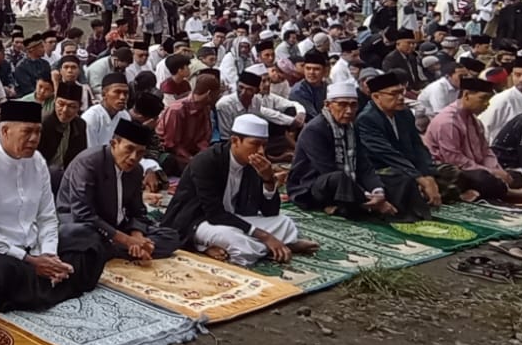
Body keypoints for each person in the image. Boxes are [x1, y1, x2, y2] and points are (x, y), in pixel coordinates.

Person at [0, 100, 107, 310]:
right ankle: (54, 285)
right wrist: (31, 262)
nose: (34, 139)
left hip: (31, 243)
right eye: (27, 132)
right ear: (5, 131)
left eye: (38, 132)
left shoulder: (37, 162)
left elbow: (47, 217)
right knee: (7, 272)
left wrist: (49, 255)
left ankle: (44, 285)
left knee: (89, 239)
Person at [164, 115, 318, 265]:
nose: (261, 151)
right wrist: (265, 236)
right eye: (255, 144)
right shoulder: (206, 161)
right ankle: (202, 246)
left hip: (234, 217)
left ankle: (264, 248)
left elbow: (270, 212)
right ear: (235, 141)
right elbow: (215, 214)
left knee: (285, 223)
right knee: (235, 241)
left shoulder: (255, 163)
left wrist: (268, 180)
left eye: (264, 145)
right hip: (199, 221)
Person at [57, 117, 179, 264]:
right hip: (83, 225)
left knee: (171, 236)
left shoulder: (136, 170)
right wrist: (127, 241)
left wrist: (137, 236)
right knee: (84, 236)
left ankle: (115, 250)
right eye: (129, 149)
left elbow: (137, 211)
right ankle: (120, 249)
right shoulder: (89, 163)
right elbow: (83, 214)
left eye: (140, 153)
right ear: (114, 144)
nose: (134, 157)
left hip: (115, 227)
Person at [286, 80, 399, 219]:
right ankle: (368, 206)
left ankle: (367, 204)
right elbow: (327, 169)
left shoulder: (352, 126)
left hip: (347, 179)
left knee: (399, 178)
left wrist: (377, 190)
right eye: (342, 105)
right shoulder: (315, 130)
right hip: (311, 185)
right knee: (338, 179)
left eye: (353, 105)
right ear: (328, 105)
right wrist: (365, 194)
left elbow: (363, 164)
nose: (349, 111)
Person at [354, 72, 444, 218]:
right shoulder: (366, 119)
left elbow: (417, 146)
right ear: (376, 97)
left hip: (408, 165)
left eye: (402, 92)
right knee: (403, 179)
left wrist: (428, 175)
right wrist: (420, 178)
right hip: (382, 169)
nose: (401, 97)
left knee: (447, 171)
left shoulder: (405, 113)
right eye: (394, 94)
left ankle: (425, 191)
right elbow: (388, 155)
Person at [156, 70, 222, 173]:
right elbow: (171, 144)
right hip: (173, 154)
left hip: (191, 153)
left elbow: (203, 139)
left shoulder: (205, 108)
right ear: (209, 94)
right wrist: (192, 159)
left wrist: (203, 156)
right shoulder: (176, 110)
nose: (219, 97)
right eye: (217, 94)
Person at [38, 79, 88, 178]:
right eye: (61, 104)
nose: (65, 110)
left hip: (68, 174)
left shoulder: (80, 125)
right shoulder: (43, 123)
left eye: (72, 106)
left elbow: (80, 156)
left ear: (79, 107)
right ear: (54, 102)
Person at [82, 72, 130, 149]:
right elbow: (90, 152)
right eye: (117, 92)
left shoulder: (125, 116)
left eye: (126, 93)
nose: (122, 97)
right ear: (104, 94)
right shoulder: (91, 117)